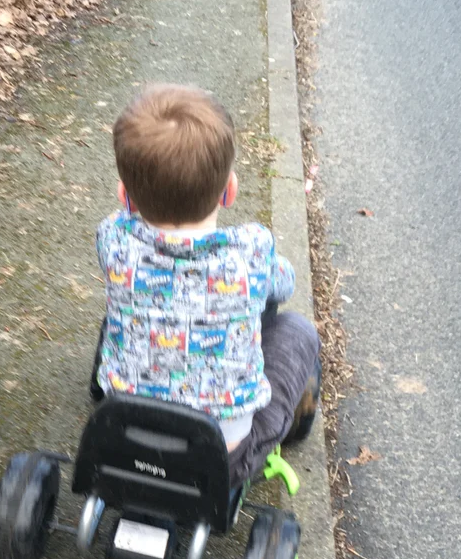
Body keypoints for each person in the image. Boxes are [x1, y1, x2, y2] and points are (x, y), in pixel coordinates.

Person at [96, 83, 320, 486]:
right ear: (229, 190)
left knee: (124, 314)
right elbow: (283, 286)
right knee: (297, 330)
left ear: (124, 196)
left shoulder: (113, 239)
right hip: (221, 460)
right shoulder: (252, 251)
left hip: (125, 439)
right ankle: (291, 422)